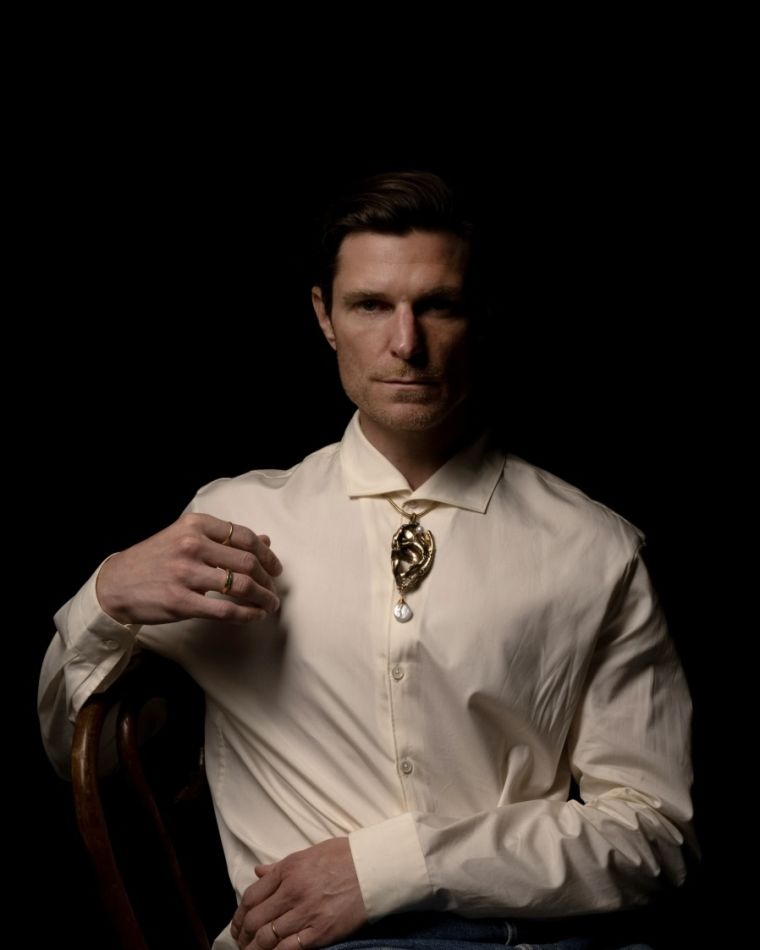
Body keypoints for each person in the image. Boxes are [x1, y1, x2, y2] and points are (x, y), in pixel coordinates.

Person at [38, 171, 696, 950]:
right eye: (371, 306)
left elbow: (655, 836)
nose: (406, 344)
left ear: (480, 312)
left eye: (438, 305)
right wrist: (104, 598)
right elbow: (82, 762)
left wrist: (396, 866)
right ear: (325, 315)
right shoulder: (236, 522)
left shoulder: (594, 547)